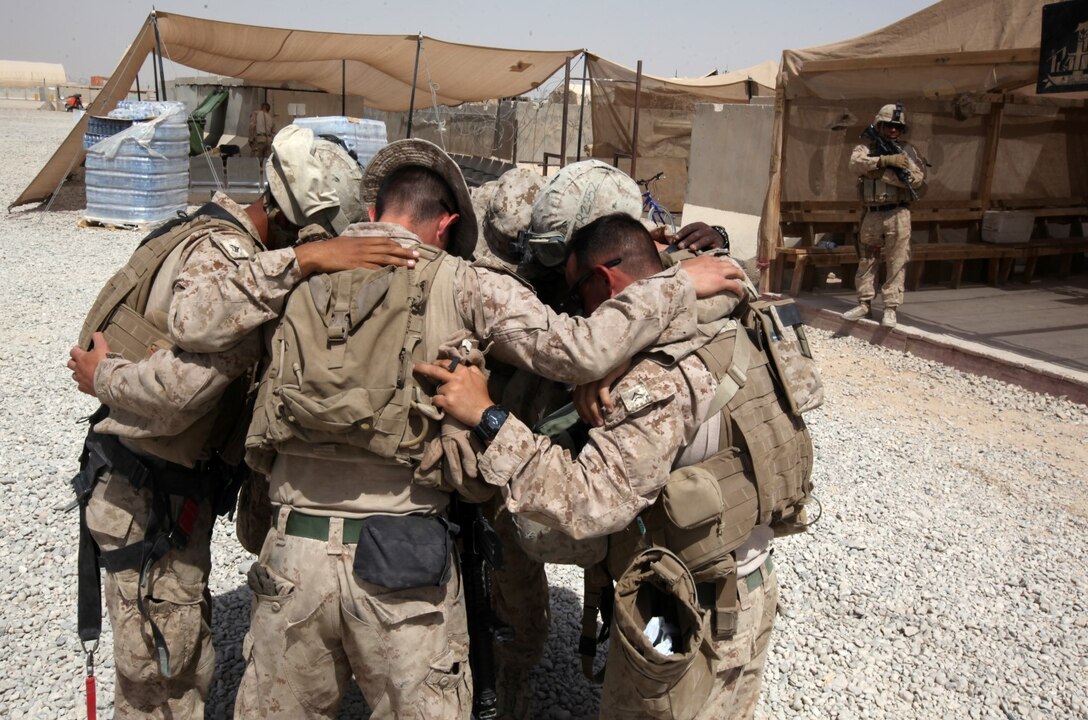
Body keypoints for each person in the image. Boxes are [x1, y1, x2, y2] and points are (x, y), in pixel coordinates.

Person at [165, 139, 746, 719]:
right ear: (445, 225)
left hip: (291, 552)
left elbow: (190, 321)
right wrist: (678, 282)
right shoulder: (467, 284)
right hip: (403, 560)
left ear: (371, 214)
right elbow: (581, 349)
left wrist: (301, 260)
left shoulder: (295, 273)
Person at [65, 127, 414, 719]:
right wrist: (103, 378)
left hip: (156, 490)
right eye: (318, 237)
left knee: (169, 649)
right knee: (164, 679)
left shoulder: (209, 228)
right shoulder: (233, 265)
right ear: (288, 221)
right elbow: (180, 393)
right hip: (147, 499)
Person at [417, 212, 815, 720]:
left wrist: (488, 417)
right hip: (750, 585)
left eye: (577, 296)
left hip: (687, 607)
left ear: (603, 281)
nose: (582, 318)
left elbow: (590, 502)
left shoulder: (659, 378)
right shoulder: (739, 315)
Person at [842, 102, 927, 329]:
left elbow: (917, 180)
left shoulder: (908, 152)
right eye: (888, 126)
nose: (893, 131)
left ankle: (890, 308)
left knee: (897, 261)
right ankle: (864, 303)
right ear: (879, 126)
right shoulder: (865, 149)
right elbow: (855, 164)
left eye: (897, 127)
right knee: (867, 259)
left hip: (898, 212)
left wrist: (884, 173)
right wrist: (883, 161)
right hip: (872, 213)